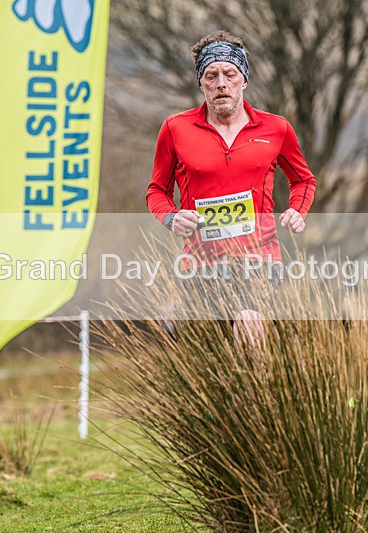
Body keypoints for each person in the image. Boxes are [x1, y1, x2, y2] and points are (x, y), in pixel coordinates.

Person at [146, 30, 316, 346]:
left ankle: (261, 394)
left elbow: (303, 180)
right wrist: (171, 218)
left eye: (230, 74)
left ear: (244, 81)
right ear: (201, 84)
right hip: (201, 261)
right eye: (211, 75)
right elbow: (157, 191)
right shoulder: (175, 129)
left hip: (260, 256)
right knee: (211, 356)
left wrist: (297, 209)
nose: (221, 83)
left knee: (250, 327)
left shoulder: (276, 128)